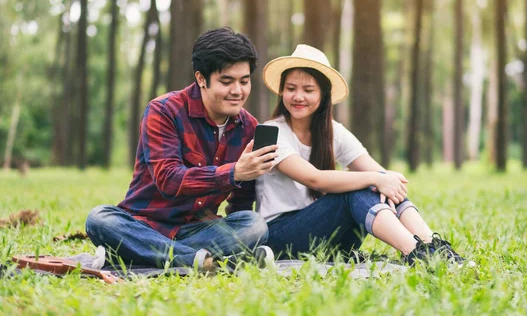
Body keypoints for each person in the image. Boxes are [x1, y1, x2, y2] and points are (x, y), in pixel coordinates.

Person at [256, 44, 470, 266]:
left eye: (308, 90)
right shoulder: (273, 132)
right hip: (280, 236)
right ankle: (415, 253)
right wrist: (376, 178)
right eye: (291, 88)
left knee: (376, 181)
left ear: (323, 95)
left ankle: (432, 246)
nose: (298, 96)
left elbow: (379, 173)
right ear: (281, 92)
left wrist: (385, 179)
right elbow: (314, 179)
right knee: (360, 185)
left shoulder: (332, 130)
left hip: (325, 236)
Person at [86, 27, 278, 269]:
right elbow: (168, 179)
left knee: (254, 224)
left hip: (196, 230)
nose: (237, 91)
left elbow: (241, 201)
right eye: (226, 81)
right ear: (201, 78)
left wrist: (238, 233)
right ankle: (201, 260)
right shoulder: (164, 111)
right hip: (145, 225)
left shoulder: (249, 126)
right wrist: (233, 172)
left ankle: (139, 255)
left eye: (244, 81)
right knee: (100, 219)